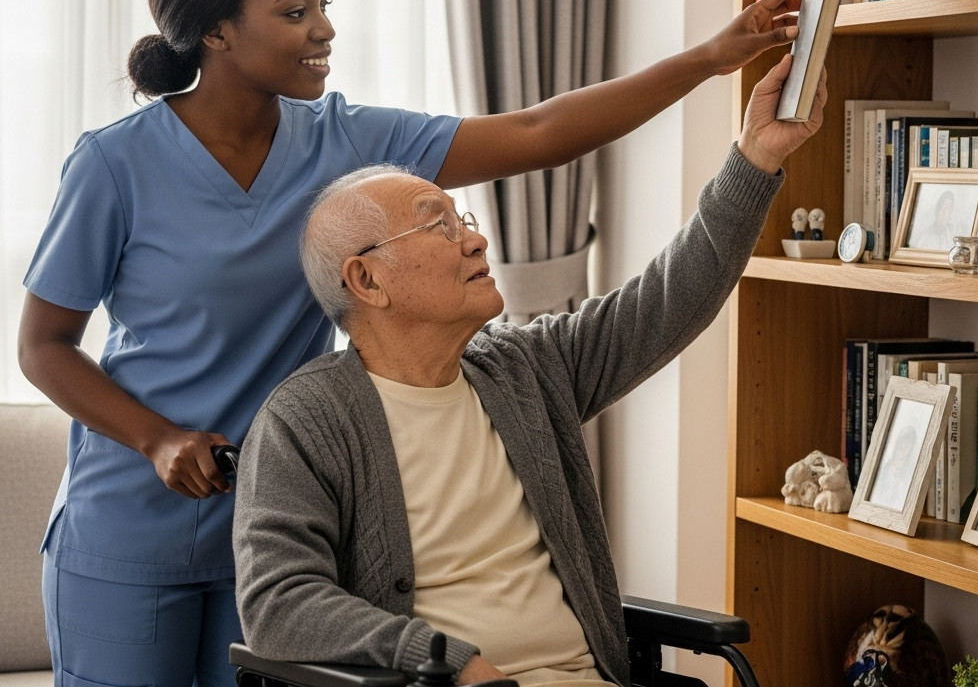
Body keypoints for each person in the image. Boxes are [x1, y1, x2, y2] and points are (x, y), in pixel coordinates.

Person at [17, 0, 805, 687]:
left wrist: (712, 58)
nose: (323, 28)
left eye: (325, 5)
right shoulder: (113, 165)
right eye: (295, 12)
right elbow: (42, 345)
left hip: (278, 529)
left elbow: (535, 132)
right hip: (127, 522)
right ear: (217, 31)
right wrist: (156, 439)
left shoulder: (346, 141)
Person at [231, 54, 827, 687]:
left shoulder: (523, 369)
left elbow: (667, 301)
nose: (475, 240)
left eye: (461, 219)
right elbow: (279, 604)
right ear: (367, 279)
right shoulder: (306, 421)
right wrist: (444, 659)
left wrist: (755, 156)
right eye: (437, 225)